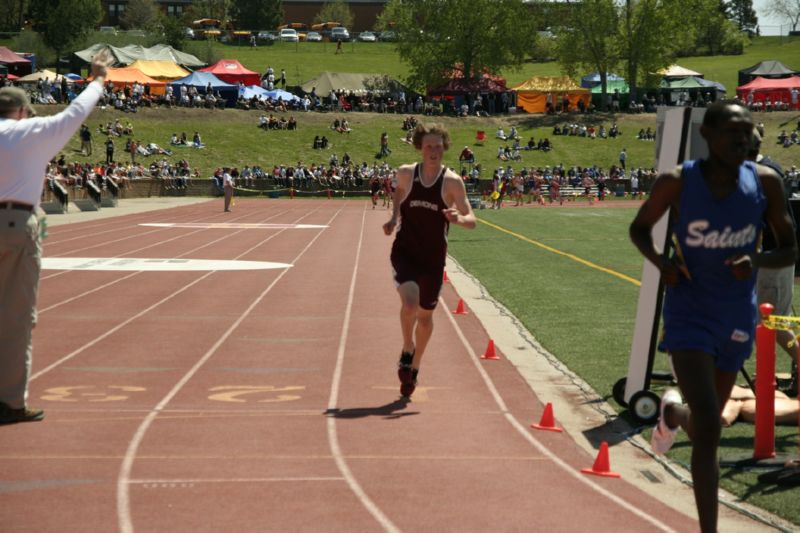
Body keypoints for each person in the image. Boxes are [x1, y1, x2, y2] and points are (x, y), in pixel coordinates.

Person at [629, 101, 797, 533]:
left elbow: (791, 247)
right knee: (708, 423)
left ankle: (671, 414)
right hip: (690, 313)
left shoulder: (765, 183)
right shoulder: (677, 182)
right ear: (708, 135)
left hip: (736, 314)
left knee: (706, 428)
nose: (743, 140)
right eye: (733, 133)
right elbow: (639, 227)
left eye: (748, 133)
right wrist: (661, 262)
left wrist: (755, 259)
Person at [0, 50, 111, 425]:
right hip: (15, 224)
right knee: (15, 319)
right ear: (21, 111)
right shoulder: (29, 133)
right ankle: (11, 401)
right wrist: (96, 80)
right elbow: (73, 114)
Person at [382, 123, 476, 398]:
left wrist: (459, 219)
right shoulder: (406, 173)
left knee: (425, 318)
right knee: (409, 303)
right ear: (420, 148)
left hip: (433, 259)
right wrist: (394, 217)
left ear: (444, 147)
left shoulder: (452, 182)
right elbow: (399, 193)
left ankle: (415, 366)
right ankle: (407, 348)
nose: (433, 151)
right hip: (406, 252)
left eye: (438, 146)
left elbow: (472, 220)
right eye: (428, 146)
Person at [750, 127, 799, 396]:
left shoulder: (765, 174)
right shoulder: (767, 168)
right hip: (773, 256)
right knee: (775, 322)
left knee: (773, 323)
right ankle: (766, 375)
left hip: (774, 257)